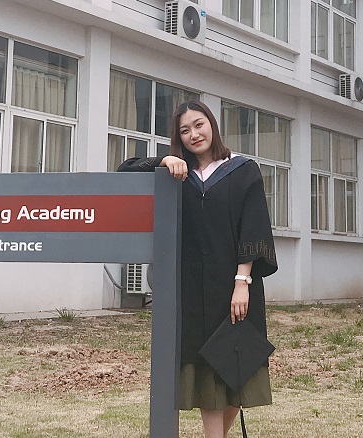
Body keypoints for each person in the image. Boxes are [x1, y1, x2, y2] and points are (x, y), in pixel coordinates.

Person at [118, 100, 277, 438]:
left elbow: (253, 227)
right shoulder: (177, 173)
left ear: (212, 125)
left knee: (239, 368)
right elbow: (124, 171)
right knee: (206, 373)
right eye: (184, 131)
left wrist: (242, 281)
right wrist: (162, 160)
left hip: (235, 286)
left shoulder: (242, 169)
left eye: (199, 124)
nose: (194, 134)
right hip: (191, 289)